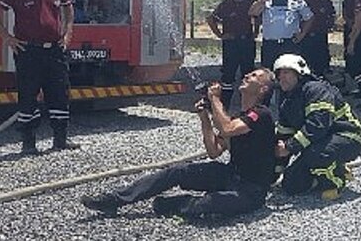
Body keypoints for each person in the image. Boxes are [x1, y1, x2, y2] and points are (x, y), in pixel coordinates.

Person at [80, 68, 277, 217]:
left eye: (253, 76)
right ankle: (115, 199)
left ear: (262, 89)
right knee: (177, 171)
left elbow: (227, 129)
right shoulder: (238, 117)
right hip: (230, 175)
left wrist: (215, 99)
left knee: (207, 207)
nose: (246, 76)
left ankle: (174, 204)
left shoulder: (261, 114)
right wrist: (204, 117)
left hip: (251, 190)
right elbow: (214, 151)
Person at [0, 0, 76, 155]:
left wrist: (67, 33)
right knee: (28, 96)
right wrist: (7, 37)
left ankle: (60, 140)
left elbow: (69, 10)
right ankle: (28, 144)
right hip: (28, 51)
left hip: (54, 50)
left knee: (59, 94)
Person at [273, 54, 361, 200]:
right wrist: (274, 174)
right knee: (291, 185)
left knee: (317, 155)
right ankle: (333, 168)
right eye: (279, 73)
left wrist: (290, 146)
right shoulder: (287, 101)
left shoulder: (316, 90)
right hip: (319, 142)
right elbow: (283, 136)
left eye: (286, 72)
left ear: (299, 73)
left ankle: (336, 181)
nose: (281, 77)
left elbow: (318, 125)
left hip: (348, 137)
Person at [207, 0, 257, 108]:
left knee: (248, 74)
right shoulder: (225, 5)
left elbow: (258, 18)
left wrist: (255, 32)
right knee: (228, 74)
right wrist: (220, 35)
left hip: (246, 42)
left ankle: (247, 105)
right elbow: (211, 19)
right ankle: (225, 105)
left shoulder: (249, 3)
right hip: (231, 44)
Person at [249, 0, 312, 69]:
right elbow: (252, 12)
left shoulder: (296, 0)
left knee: (290, 71)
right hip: (270, 44)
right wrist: (261, 1)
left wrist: (302, 34)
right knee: (268, 73)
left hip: (289, 43)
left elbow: (309, 17)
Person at [302, 0, 336, 77]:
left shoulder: (326, 2)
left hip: (321, 36)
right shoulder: (304, 2)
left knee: (322, 61)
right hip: (307, 36)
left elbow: (332, 16)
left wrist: (330, 25)